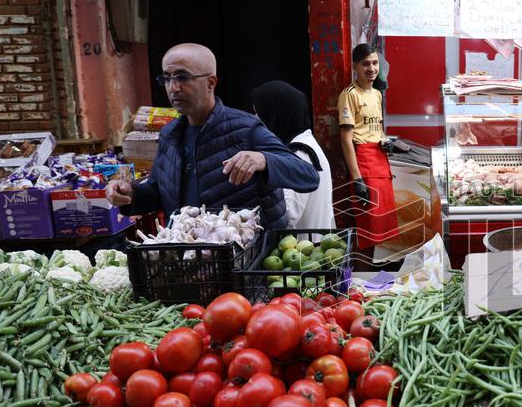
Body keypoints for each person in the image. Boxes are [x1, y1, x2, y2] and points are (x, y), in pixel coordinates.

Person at [106, 43, 319, 229]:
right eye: (167, 78)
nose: (174, 87)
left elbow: (308, 175)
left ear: (211, 82)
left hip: (245, 261)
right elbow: (159, 193)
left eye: (182, 77)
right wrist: (130, 194)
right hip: (192, 256)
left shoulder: (246, 129)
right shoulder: (169, 135)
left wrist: (264, 160)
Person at [338, 44, 399, 259]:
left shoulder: (376, 94)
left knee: (380, 229)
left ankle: (370, 278)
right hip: (363, 163)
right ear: (356, 66)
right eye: (365, 64)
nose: (371, 68)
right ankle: (358, 279)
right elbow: (346, 138)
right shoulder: (349, 95)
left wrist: (385, 141)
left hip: (380, 162)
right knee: (366, 228)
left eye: (374, 63)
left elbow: (376, 129)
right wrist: (357, 179)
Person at [250, 81, 335, 230]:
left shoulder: (299, 153)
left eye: (258, 113)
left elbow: (287, 216)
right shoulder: (305, 145)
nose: (255, 119)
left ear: (275, 113)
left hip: (303, 250)